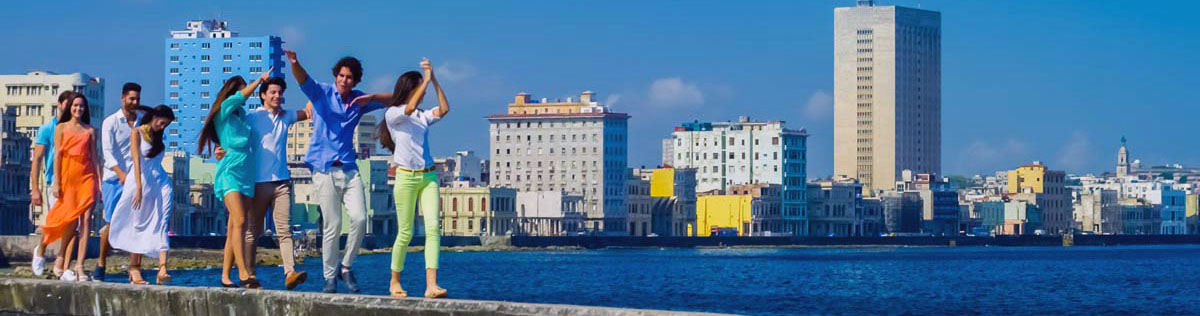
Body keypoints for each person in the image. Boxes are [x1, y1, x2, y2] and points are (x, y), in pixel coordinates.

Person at [286, 49, 390, 293]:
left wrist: (371, 97)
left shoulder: (358, 101)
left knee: (361, 218)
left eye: (350, 78)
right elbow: (303, 79)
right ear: (335, 76)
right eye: (341, 76)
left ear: (355, 81)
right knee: (332, 224)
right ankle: (329, 277)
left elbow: (395, 99)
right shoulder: (322, 93)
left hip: (349, 169)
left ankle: (346, 266)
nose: (344, 81)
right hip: (323, 169)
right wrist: (294, 62)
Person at [356, 59, 450, 298]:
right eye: (421, 87)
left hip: (428, 176)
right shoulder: (394, 113)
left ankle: (431, 284)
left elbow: (444, 109)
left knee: (432, 230)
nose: (425, 91)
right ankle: (394, 281)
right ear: (410, 89)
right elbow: (407, 109)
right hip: (406, 177)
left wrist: (434, 79)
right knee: (405, 232)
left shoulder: (422, 115)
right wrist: (425, 78)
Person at [224, 77, 312, 290]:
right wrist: (222, 150)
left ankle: (289, 272)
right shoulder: (252, 117)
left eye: (280, 93)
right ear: (263, 95)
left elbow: (308, 110)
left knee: (284, 230)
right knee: (253, 232)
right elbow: (232, 131)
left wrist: (310, 86)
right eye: (273, 92)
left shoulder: (287, 115)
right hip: (258, 183)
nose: (277, 96)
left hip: (282, 182)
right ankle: (249, 275)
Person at [198, 70, 271, 289]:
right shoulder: (225, 109)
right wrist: (259, 81)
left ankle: (225, 275)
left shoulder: (242, 116)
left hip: (246, 172)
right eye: (241, 89)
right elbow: (240, 97)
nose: (243, 94)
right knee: (240, 221)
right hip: (229, 171)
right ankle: (243, 271)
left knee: (234, 227)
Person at [108, 105, 176, 285]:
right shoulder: (136, 133)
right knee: (137, 223)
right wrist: (138, 188)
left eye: (166, 126)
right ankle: (134, 268)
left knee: (162, 221)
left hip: (160, 183)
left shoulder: (158, 138)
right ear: (155, 116)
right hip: (140, 182)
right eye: (162, 123)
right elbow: (136, 162)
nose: (163, 128)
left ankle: (162, 268)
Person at [39, 93, 101, 282]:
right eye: (75, 106)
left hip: (87, 177)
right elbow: (57, 156)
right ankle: (45, 250)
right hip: (68, 179)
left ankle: (80, 265)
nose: (78, 109)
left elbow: (94, 157)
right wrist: (56, 181)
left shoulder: (90, 130)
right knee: (67, 220)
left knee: (86, 221)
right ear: (69, 108)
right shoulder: (61, 128)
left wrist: (100, 182)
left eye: (81, 106)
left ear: (85, 109)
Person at [29, 91, 79, 280]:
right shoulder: (48, 129)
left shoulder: (77, 128)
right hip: (54, 182)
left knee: (73, 225)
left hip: (75, 182)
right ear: (59, 105)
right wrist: (35, 188)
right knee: (56, 223)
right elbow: (37, 160)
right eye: (68, 106)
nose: (71, 110)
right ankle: (40, 249)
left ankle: (62, 267)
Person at [97, 82, 144, 282]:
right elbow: (107, 153)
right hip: (114, 179)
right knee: (112, 222)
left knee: (138, 222)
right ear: (123, 98)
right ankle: (101, 262)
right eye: (131, 99)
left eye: (138, 99)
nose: (135, 102)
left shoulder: (143, 121)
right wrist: (121, 174)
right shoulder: (110, 122)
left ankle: (135, 268)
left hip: (136, 179)